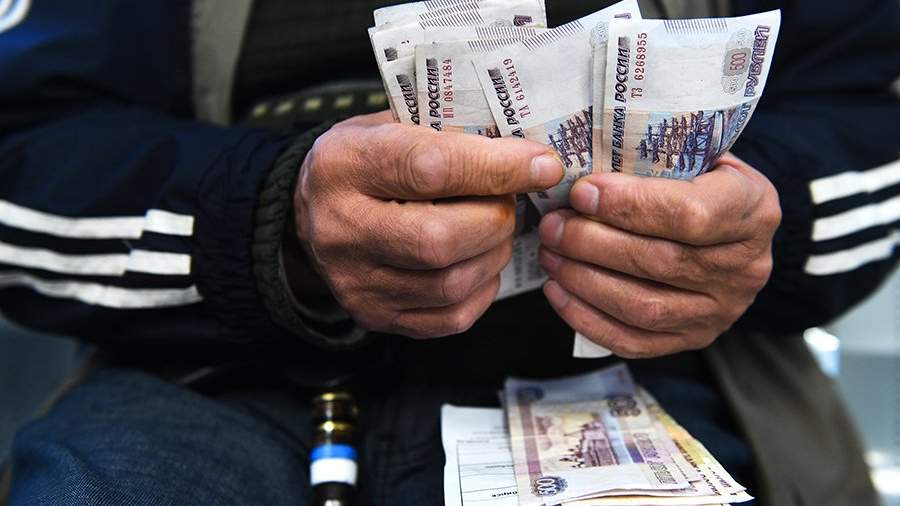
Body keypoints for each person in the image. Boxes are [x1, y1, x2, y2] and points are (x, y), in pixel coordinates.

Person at [0, 0, 898, 504]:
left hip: (659, 371)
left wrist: (748, 225)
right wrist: (273, 220)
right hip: (214, 368)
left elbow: (866, 114)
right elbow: (28, 153)